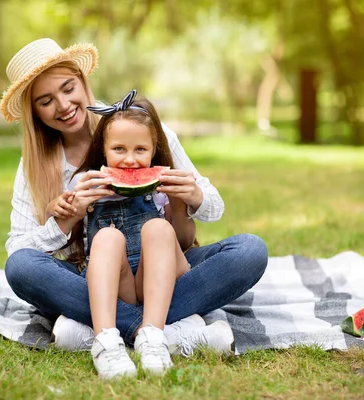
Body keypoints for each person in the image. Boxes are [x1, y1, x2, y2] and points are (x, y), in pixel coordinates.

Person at [0, 38, 268, 371]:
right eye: (46, 100)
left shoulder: (141, 128)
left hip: (166, 265)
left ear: (83, 82)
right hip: (94, 273)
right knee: (21, 268)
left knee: (249, 251)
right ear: (34, 112)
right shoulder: (35, 167)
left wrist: (192, 196)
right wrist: (66, 221)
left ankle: (100, 331)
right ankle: (163, 334)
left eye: (68, 88)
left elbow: (199, 222)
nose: (64, 105)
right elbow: (18, 249)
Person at [51, 89, 234, 378]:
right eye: (119, 150)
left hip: (159, 276)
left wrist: (181, 199)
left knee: (160, 228)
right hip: (118, 285)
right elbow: (61, 222)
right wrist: (64, 207)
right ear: (104, 149)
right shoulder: (88, 184)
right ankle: (112, 340)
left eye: (140, 150)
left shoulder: (163, 187)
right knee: (107, 238)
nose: (130, 161)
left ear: (154, 150)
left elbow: (184, 240)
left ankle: (148, 336)